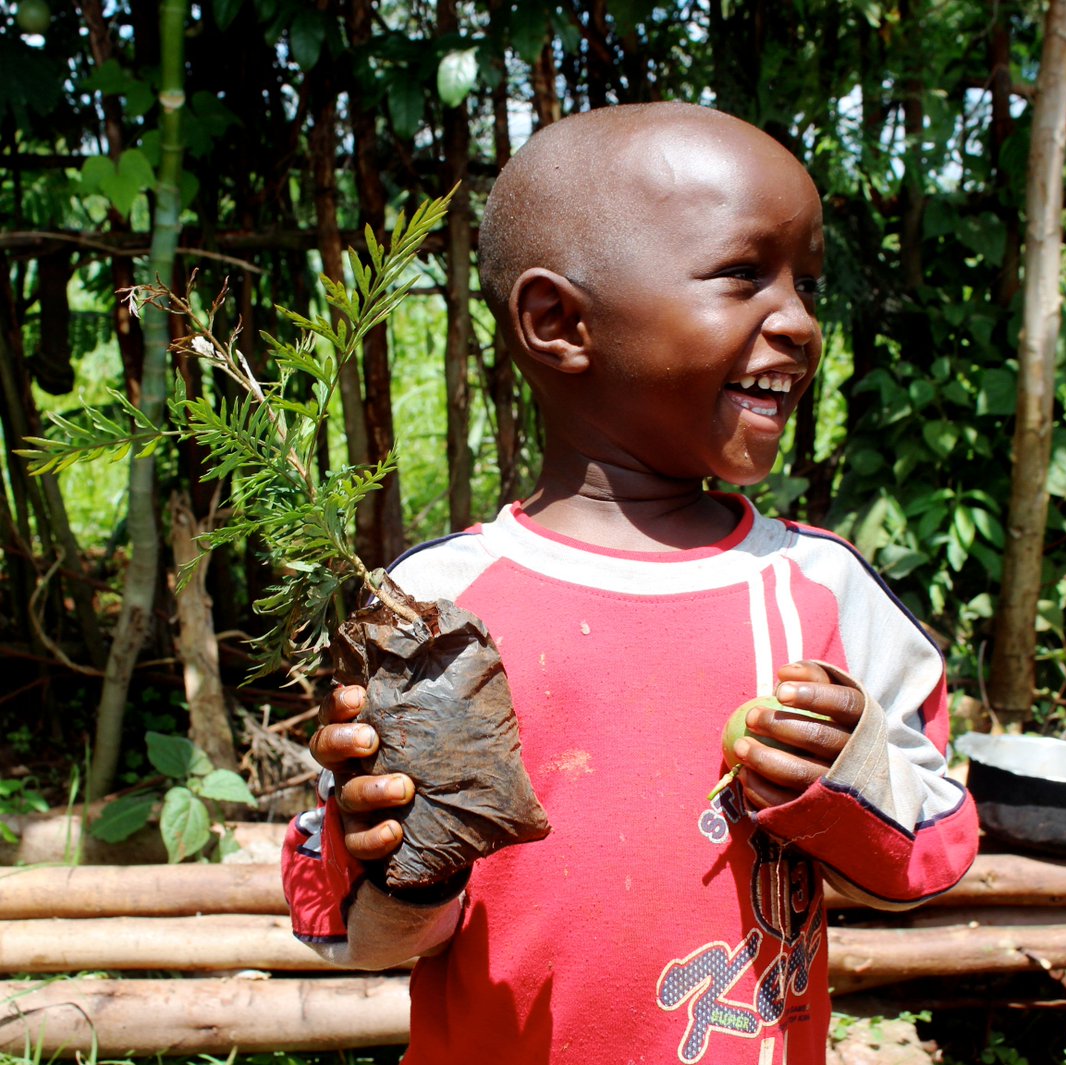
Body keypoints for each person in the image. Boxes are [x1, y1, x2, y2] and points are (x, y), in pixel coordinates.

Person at [282, 101, 979, 1064]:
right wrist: (396, 856)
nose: (800, 322)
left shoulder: (817, 589)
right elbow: (350, 929)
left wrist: (845, 779)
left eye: (805, 284)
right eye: (745, 275)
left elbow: (930, 852)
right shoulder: (434, 607)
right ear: (558, 323)